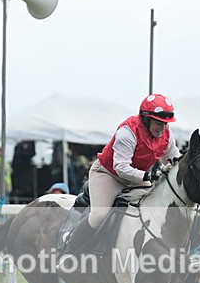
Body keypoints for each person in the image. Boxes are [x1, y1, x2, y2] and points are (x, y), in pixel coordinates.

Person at [61, 94, 181, 256]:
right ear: (146, 120)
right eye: (158, 123)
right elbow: (121, 168)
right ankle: (69, 249)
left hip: (136, 177)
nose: (162, 128)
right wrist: (147, 177)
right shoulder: (128, 132)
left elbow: (174, 158)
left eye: (165, 124)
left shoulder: (166, 135)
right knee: (99, 215)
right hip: (109, 175)